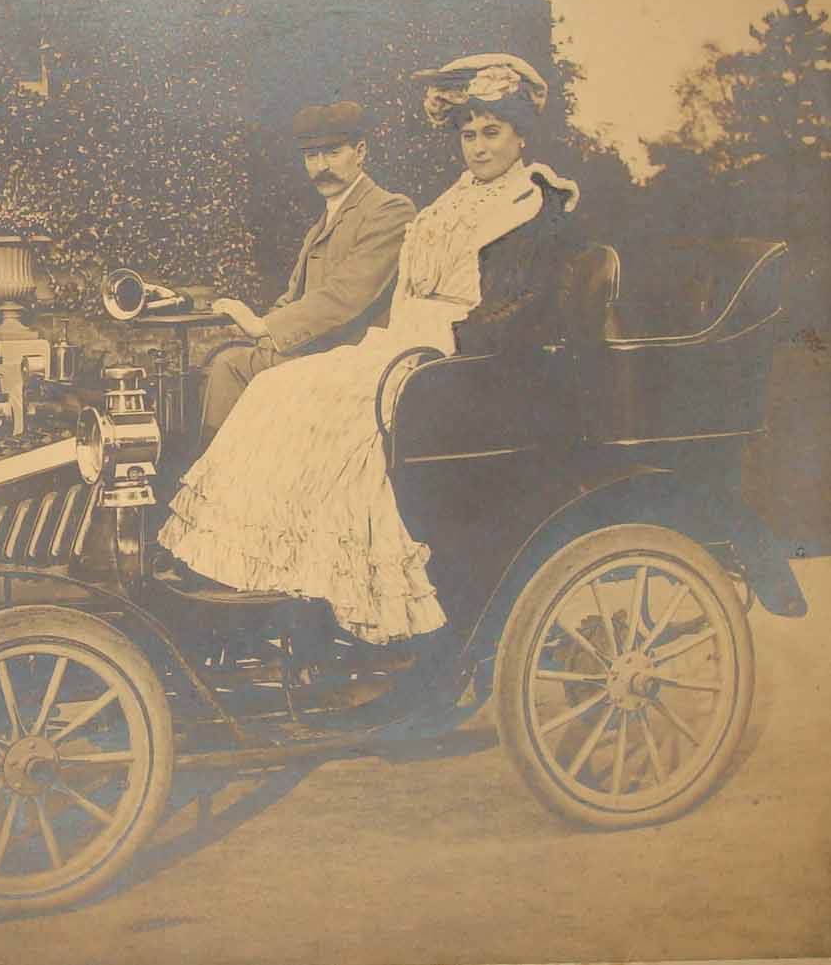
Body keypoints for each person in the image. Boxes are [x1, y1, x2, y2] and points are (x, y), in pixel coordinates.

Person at [159, 54, 580, 645]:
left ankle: (330, 583)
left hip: (461, 356)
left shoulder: (534, 206)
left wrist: (442, 339)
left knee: (333, 411)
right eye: (468, 135)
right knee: (278, 387)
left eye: (492, 134)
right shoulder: (452, 202)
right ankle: (271, 568)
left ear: (520, 136)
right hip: (405, 342)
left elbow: (516, 310)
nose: (479, 149)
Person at [201, 101, 416, 445]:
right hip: (313, 348)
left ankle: (214, 478)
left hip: (353, 356)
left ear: (360, 152)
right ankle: (215, 480)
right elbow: (293, 296)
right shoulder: (325, 220)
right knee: (227, 363)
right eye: (311, 157)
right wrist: (263, 329)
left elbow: (347, 295)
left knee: (231, 367)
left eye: (332, 153)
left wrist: (264, 326)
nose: (320, 168)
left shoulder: (389, 210)